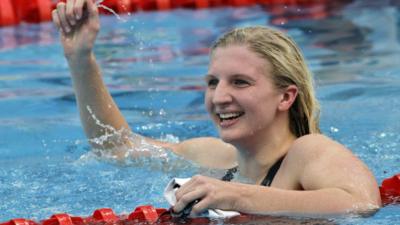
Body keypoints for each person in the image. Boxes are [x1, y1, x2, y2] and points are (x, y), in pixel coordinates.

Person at [52, 0, 381, 216]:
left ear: (286, 97)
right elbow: (114, 147)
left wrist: (239, 197)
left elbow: (362, 202)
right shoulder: (214, 158)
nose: (218, 97)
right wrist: (81, 60)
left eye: (240, 82)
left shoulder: (307, 152)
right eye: (213, 82)